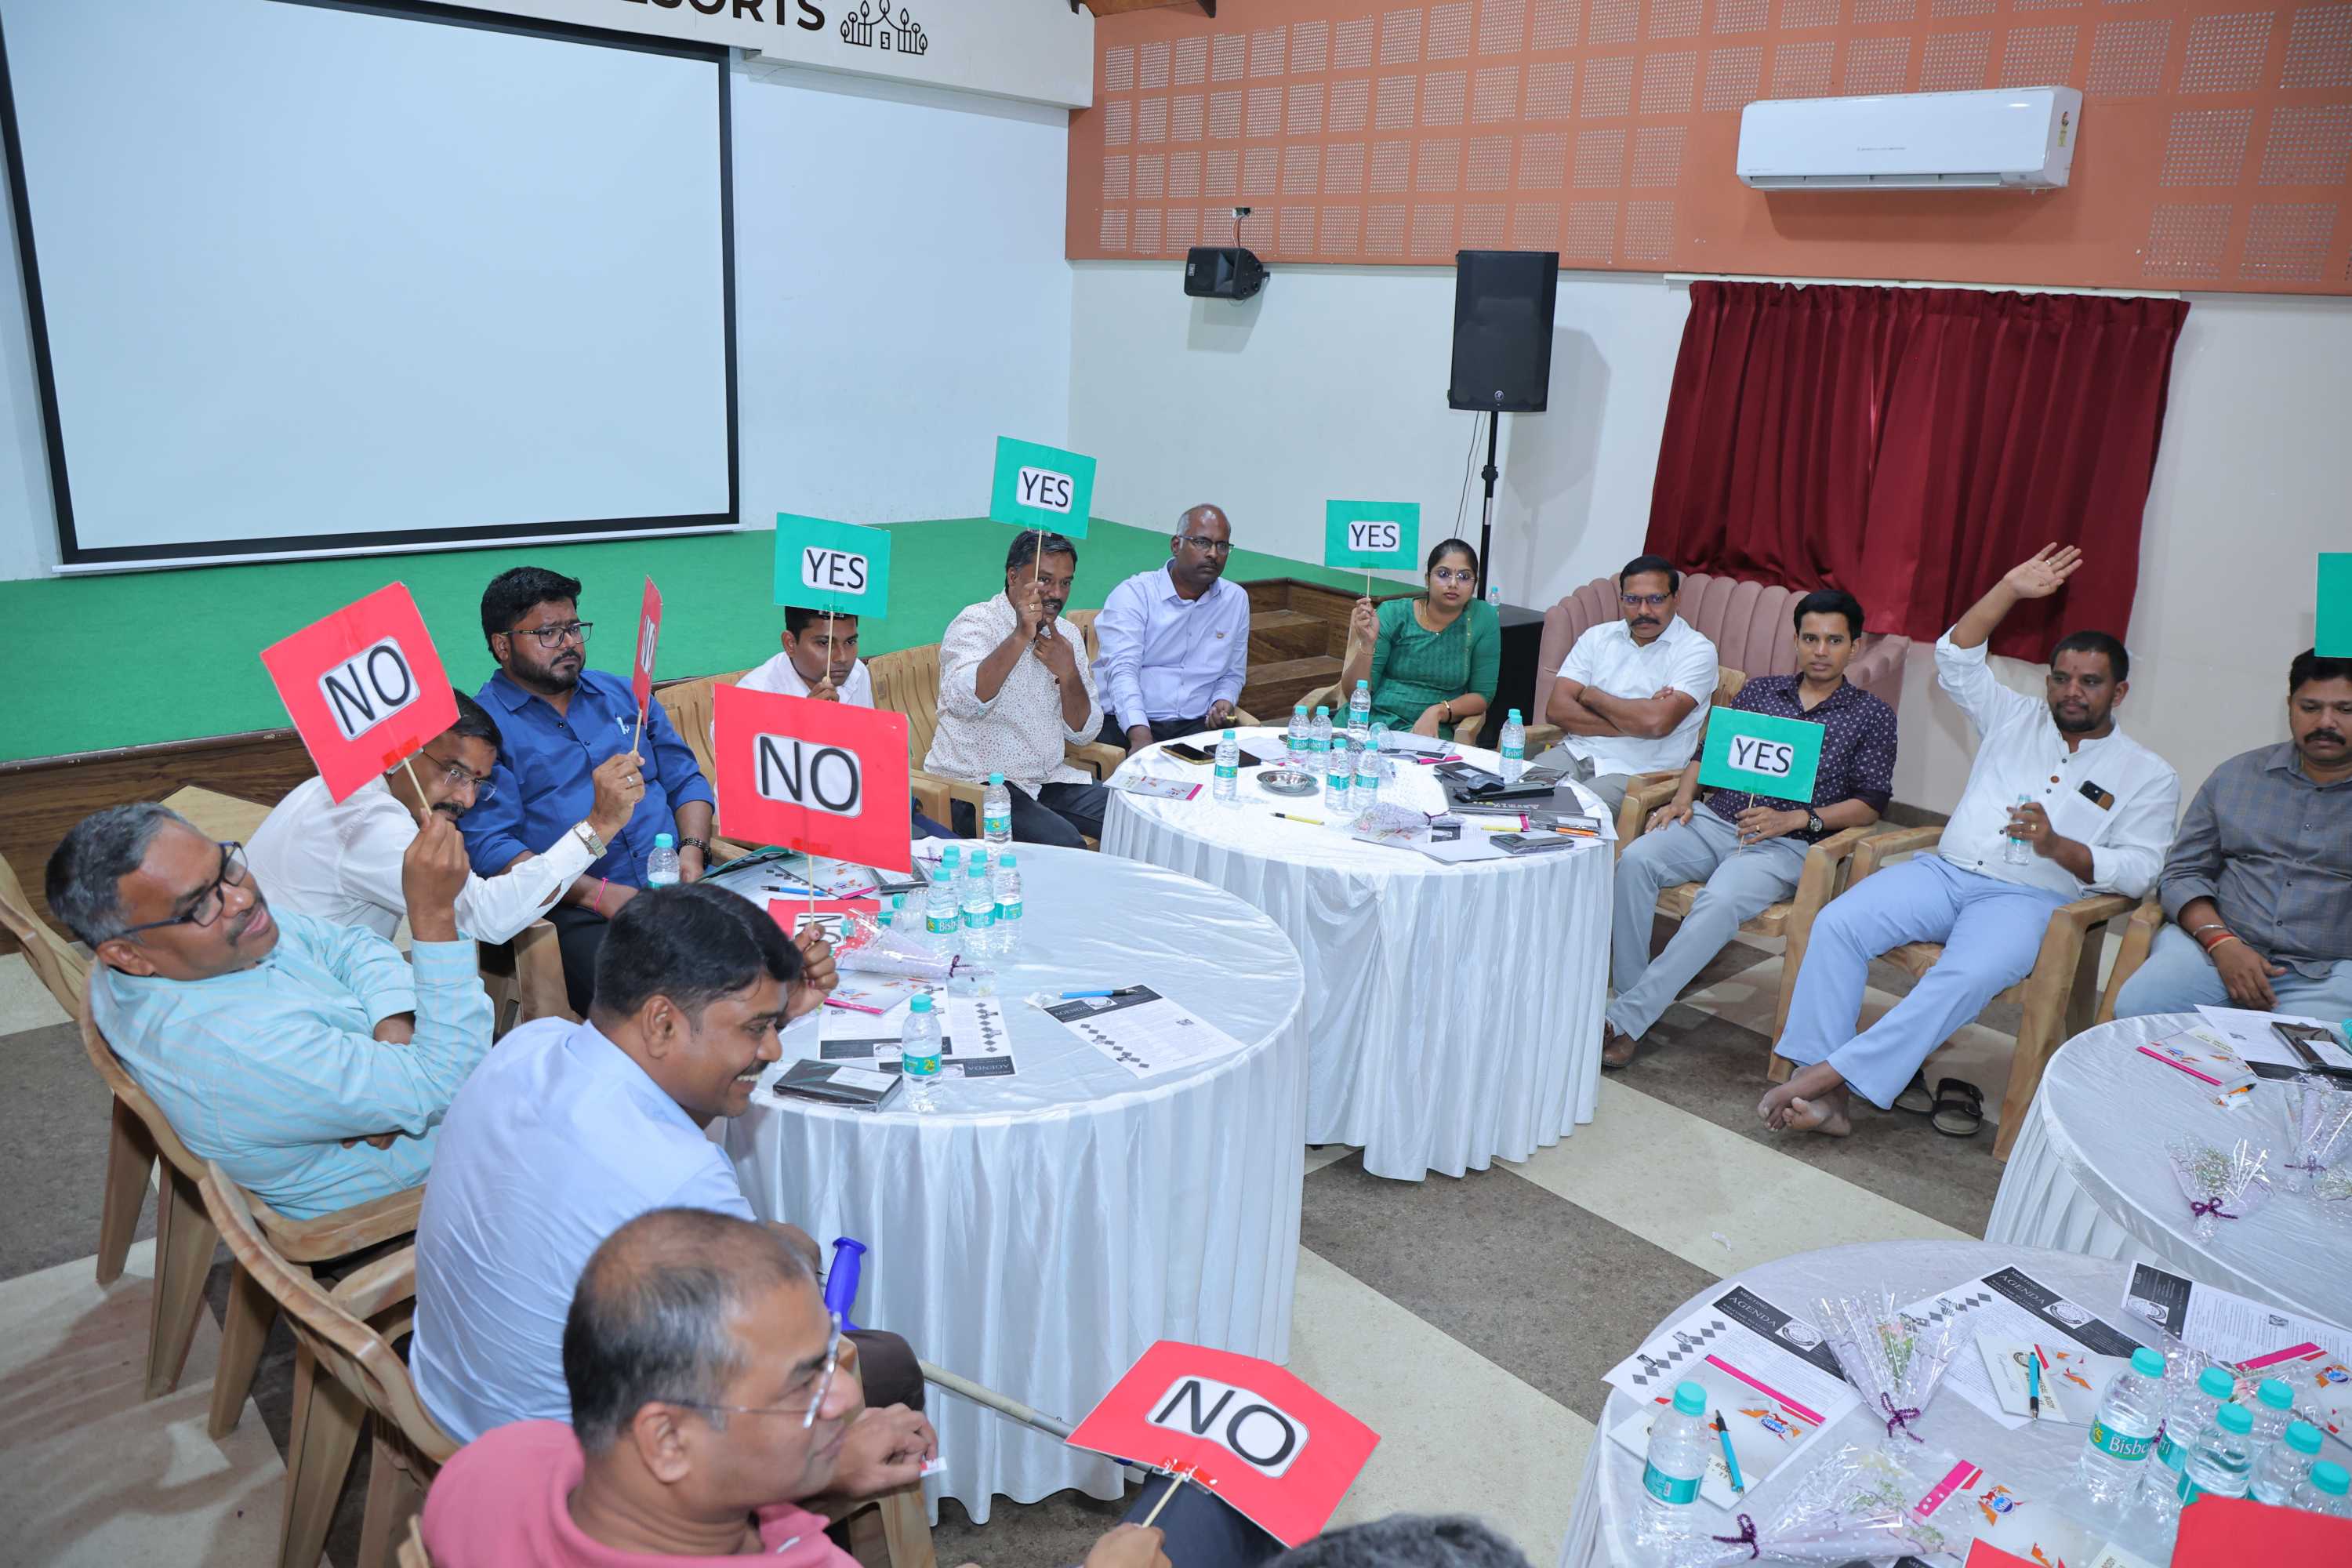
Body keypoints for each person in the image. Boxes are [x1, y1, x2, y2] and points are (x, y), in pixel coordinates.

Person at [408, 882, 926, 1445]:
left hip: (445, 1398)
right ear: (661, 1023)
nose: (774, 1050)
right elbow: (785, 1364)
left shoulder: (528, 1045)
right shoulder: (681, 1177)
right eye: (756, 1028)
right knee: (889, 1362)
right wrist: (791, 1268)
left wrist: (769, 1017)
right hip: (571, 1464)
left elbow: (653, 1121)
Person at [423, 1208, 1168, 1568]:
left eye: (828, 1359)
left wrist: (822, 1479)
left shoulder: (494, 1466)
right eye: (803, 1383)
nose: (845, 1397)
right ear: (668, 1438)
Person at [1762, 546, 2180, 1138]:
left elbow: (2140, 871)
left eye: (2090, 682)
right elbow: (1956, 657)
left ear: (2119, 692)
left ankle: (1827, 1077)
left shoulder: (2148, 774)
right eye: (2061, 678)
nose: (2072, 692)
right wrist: (2008, 587)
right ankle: (1829, 1091)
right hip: (1945, 873)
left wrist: (2058, 846)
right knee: (1838, 924)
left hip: (2028, 899)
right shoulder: (2013, 717)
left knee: (1961, 977)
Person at [47, 802, 489, 1218]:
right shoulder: (241, 1049)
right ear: (128, 955)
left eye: (225, 866)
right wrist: (434, 915)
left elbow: (346, 945)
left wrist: (393, 1022)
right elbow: (451, 1080)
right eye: (198, 905)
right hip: (426, 1175)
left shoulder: (203, 943)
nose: (240, 898)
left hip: (414, 1080)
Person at [1603, 590, 1897, 1069]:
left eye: (1834, 640)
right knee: (1636, 861)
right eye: (1810, 639)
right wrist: (1682, 798)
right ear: (1795, 641)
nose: (1821, 650)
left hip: (1785, 844)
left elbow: (1870, 804)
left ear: (1854, 647)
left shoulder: (1871, 716)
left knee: (1720, 900)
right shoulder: (1761, 693)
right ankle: (1633, 1006)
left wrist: (1800, 818)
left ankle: (1624, 1021)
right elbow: (1705, 755)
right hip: (1715, 822)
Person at [462, 566, 717, 1015]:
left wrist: (692, 852)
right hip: (576, 907)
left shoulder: (623, 695)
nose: (569, 643)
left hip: (678, 878)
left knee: (772, 956)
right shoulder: (484, 732)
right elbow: (493, 848)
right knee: (660, 1007)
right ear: (503, 645)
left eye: (574, 628)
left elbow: (685, 779)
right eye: (548, 633)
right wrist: (599, 895)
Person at [247, 691, 642, 944]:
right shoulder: (369, 820)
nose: (467, 799)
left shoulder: (349, 790)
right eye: (455, 773)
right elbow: (488, 917)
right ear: (403, 753)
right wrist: (599, 826)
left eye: (478, 782)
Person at [2114, 649, 2352, 1020]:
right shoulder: (2236, 777)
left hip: (2327, 975)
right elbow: (2182, 873)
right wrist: (2221, 942)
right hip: (2212, 949)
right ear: (2289, 706)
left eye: (2345, 710)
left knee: (2307, 1049)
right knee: (2140, 1009)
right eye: (2310, 707)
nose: (2326, 722)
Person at [925, 532, 1108, 847]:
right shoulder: (976, 623)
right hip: (978, 787)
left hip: (1048, 780)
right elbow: (965, 702)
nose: (1056, 593)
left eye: (1065, 582)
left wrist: (1069, 674)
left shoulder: (1066, 636)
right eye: (1045, 580)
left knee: (1132, 817)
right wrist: (1020, 636)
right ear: (1013, 576)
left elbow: (1083, 733)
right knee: (1066, 845)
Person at [738, 607, 953, 840]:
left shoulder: (856, 673)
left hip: (862, 814)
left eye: (850, 642)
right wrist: (802, 725)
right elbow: (751, 802)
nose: (842, 657)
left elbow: (866, 759)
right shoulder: (750, 699)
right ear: (790, 643)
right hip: (795, 833)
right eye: (824, 643)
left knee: (957, 852)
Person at [1536, 554, 1719, 812]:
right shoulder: (1597, 637)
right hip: (1577, 752)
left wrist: (1592, 697)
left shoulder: (1696, 650)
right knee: (1516, 791)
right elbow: (1557, 710)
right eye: (1633, 600)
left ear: (1676, 599)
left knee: (1571, 811)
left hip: (1641, 770)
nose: (1643, 611)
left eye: (1656, 599)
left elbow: (1656, 723)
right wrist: (1636, 721)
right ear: (1621, 599)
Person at [1092, 503, 1250, 753]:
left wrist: (1222, 702)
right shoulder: (1134, 595)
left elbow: (1232, 674)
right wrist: (1140, 736)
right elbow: (1123, 672)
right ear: (1176, 545)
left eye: (1222, 546)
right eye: (1202, 542)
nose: (1213, 553)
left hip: (1195, 725)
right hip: (1128, 723)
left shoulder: (1235, 600)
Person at [1338, 538, 1501, 740]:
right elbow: (1355, 693)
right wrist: (1367, 645)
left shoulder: (1482, 617)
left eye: (1464, 577)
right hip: (1368, 721)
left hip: (1426, 729)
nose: (1453, 584)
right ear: (1427, 579)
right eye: (1443, 574)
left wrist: (1440, 711)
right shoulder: (1394, 614)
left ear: (1475, 584)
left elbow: (1482, 696)